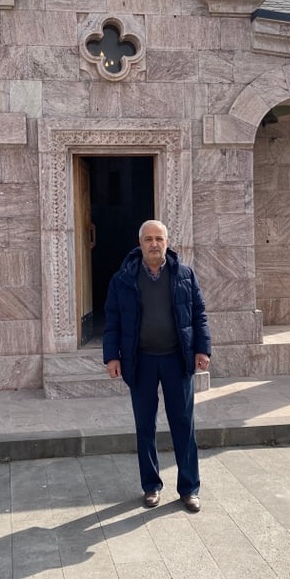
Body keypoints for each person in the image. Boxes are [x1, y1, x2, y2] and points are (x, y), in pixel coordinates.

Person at [103, 219, 212, 513]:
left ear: (167, 242)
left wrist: (202, 348)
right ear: (140, 244)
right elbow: (112, 320)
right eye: (148, 239)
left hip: (177, 360)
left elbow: (199, 315)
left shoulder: (185, 275)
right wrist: (112, 356)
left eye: (159, 239)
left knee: (183, 425)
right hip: (141, 362)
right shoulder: (123, 279)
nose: (154, 244)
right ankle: (151, 486)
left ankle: (189, 489)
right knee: (145, 426)